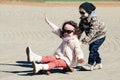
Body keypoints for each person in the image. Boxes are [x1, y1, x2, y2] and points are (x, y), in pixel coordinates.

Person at [78, 2, 107, 71]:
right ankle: (99, 63)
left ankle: (90, 64)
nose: (81, 14)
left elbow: (92, 33)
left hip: (100, 35)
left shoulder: (94, 20)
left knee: (93, 49)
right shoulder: (82, 19)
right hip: (93, 36)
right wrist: (76, 38)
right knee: (93, 49)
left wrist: (83, 42)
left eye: (82, 12)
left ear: (89, 12)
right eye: (80, 12)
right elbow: (80, 29)